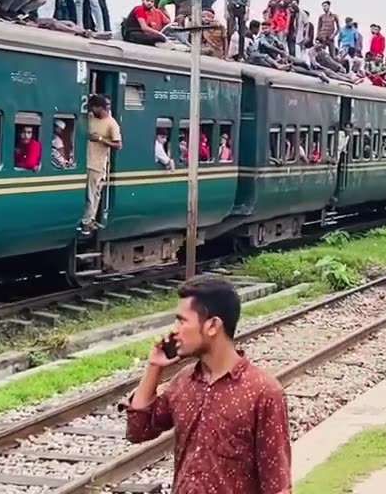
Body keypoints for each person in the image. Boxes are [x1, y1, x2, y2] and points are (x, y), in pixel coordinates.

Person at [125, 276, 292, 494]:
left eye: (182, 321)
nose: (174, 331)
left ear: (213, 326)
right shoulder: (184, 382)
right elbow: (138, 430)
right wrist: (154, 366)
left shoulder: (263, 392)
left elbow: (277, 486)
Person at [83, 94, 121, 233]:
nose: (91, 110)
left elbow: (118, 145)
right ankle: (90, 219)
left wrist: (100, 139)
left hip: (97, 163)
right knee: (93, 193)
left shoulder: (112, 124)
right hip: (87, 160)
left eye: (93, 107)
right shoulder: (91, 117)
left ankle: (87, 221)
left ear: (100, 108)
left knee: (93, 193)